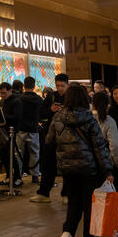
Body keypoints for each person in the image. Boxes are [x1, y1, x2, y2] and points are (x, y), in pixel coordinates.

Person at [46, 83, 113, 237]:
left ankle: (68, 232)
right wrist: (107, 170)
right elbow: (99, 147)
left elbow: (49, 141)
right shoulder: (89, 119)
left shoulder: (58, 118)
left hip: (67, 169)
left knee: (74, 202)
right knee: (91, 208)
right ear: (85, 99)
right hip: (88, 169)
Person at [92, 92, 118, 237]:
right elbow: (114, 145)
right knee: (115, 198)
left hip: (91, 165)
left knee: (94, 198)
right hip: (108, 165)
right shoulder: (109, 121)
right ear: (108, 104)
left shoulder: (88, 118)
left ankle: (94, 233)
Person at [32, 73, 68, 203]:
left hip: (67, 137)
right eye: (58, 85)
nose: (60, 88)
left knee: (67, 166)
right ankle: (43, 193)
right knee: (48, 165)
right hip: (51, 136)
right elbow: (41, 114)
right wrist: (51, 110)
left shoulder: (72, 97)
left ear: (67, 85)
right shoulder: (51, 96)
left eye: (62, 85)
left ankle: (67, 194)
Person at [0, 81, 23, 187]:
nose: (2, 95)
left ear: (10, 91)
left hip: (13, 132)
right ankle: (9, 175)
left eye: (4, 93)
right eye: (1, 93)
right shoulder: (3, 102)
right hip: (4, 131)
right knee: (5, 154)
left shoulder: (17, 101)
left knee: (12, 155)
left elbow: (17, 117)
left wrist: (3, 116)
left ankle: (17, 177)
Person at [18, 76, 43, 182]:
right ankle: (35, 175)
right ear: (34, 86)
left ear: (24, 86)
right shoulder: (38, 99)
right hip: (34, 128)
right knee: (35, 152)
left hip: (21, 128)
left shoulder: (19, 98)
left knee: (19, 152)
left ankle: (18, 174)